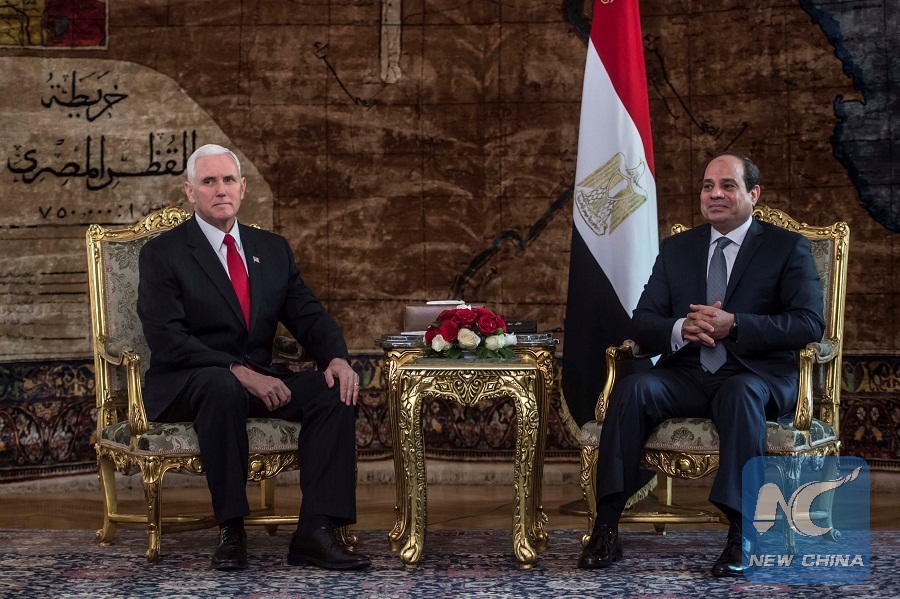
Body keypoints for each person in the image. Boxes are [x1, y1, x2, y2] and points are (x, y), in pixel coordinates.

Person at [576, 153, 825, 577]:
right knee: (635, 388)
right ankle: (606, 526)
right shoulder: (678, 248)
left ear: (753, 194)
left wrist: (736, 325)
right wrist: (680, 328)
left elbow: (809, 323)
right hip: (688, 373)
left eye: (728, 185)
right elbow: (643, 320)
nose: (715, 194)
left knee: (740, 393)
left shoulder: (786, 247)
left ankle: (742, 534)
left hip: (754, 375)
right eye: (708, 186)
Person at [137, 144, 370, 571]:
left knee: (334, 391)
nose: (220, 189)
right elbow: (168, 339)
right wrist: (236, 370)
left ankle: (316, 532)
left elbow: (309, 315)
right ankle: (231, 530)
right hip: (191, 381)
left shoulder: (273, 249)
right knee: (221, 384)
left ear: (243, 188)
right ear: (190, 192)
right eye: (209, 181)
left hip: (261, 377)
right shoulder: (163, 253)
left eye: (228, 180)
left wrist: (336, 358)